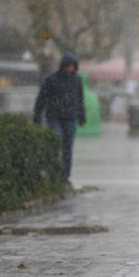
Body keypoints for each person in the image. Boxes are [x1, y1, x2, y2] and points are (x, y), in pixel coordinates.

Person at [33, 53, 86, 182]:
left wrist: (81, 116)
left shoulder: (77, 80)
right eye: (68, 66)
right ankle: (55, 173)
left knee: (68, 147)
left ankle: (65, 175)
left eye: (73, 66)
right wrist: (37, 117)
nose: (70, 69)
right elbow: (41, 99)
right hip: (54, 117)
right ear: (63, 66)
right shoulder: (51, 79)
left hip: (70, 118)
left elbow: (80, 99)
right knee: (57, 143)